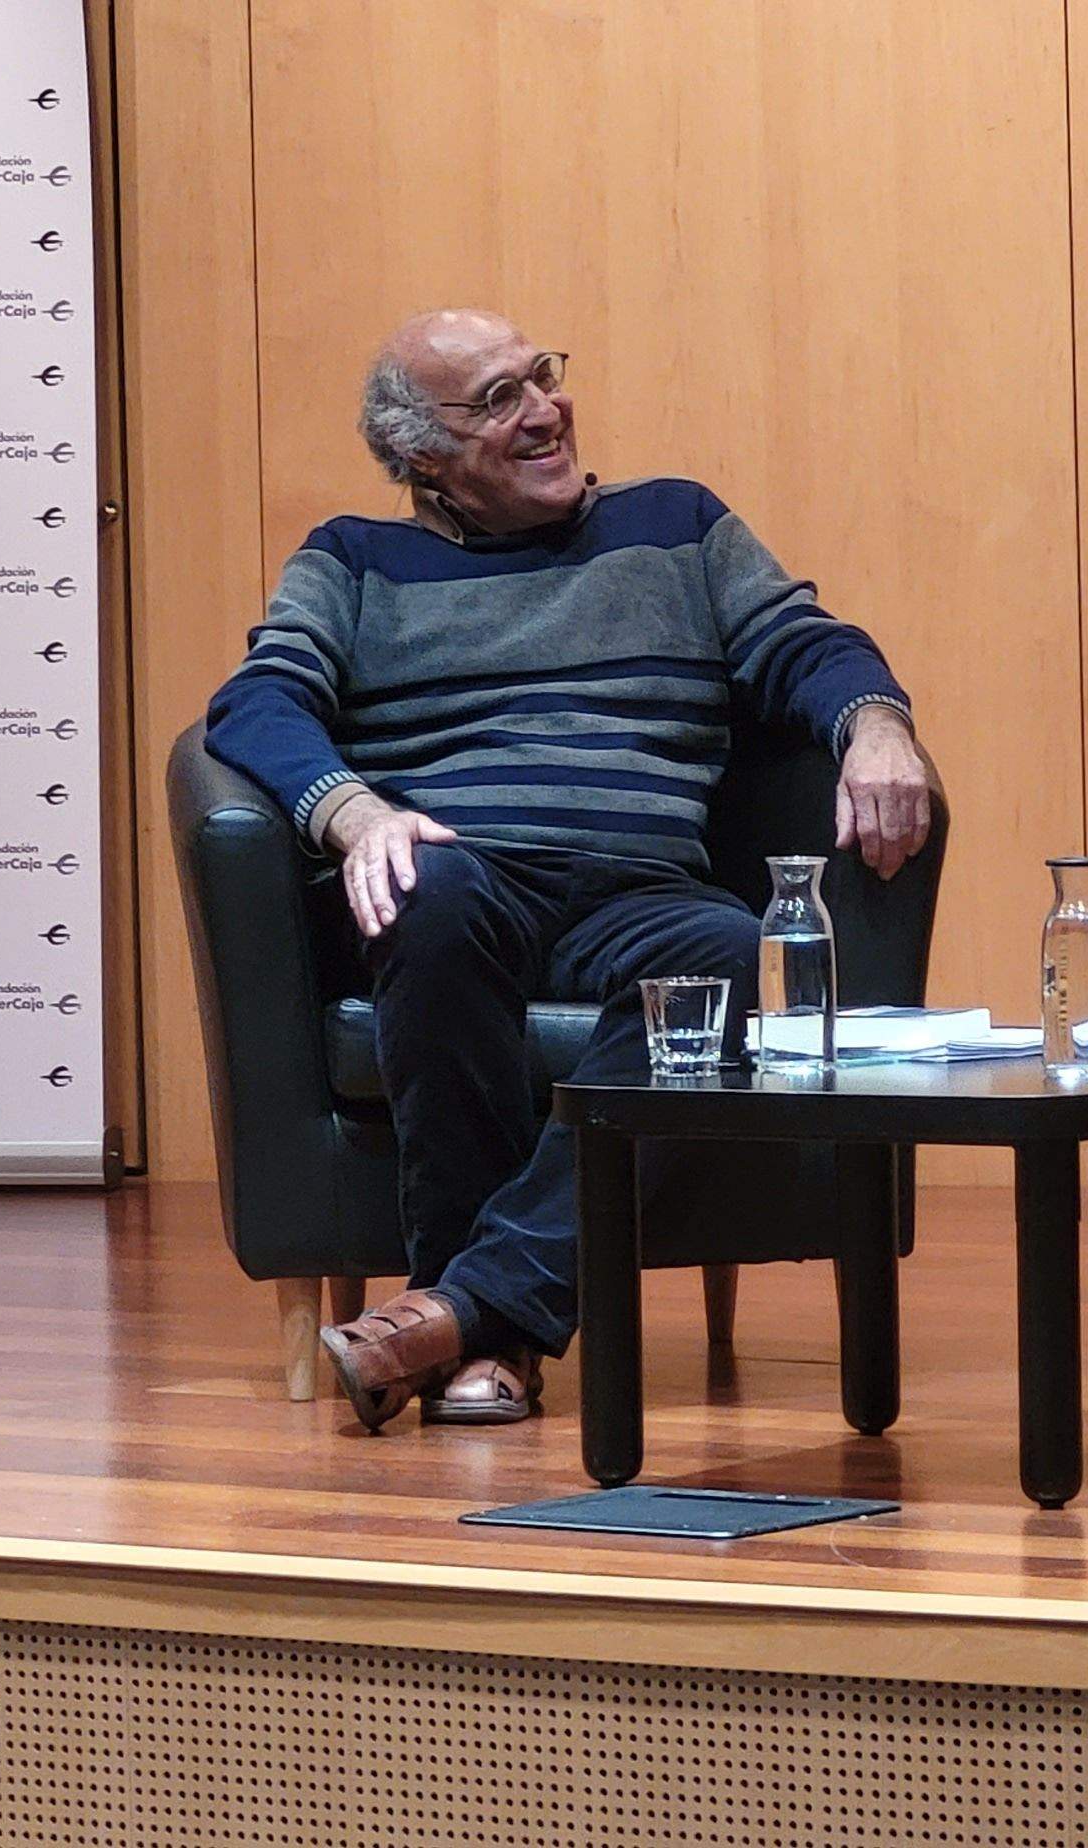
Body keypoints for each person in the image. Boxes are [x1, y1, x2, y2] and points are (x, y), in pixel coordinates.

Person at [202, 309, 942, 1431]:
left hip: (642, 896)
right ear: (421, 456)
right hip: (460, 872)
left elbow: (808, 644)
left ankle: (458, 1315)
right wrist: (355, 816)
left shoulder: (677, 527)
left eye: (540, 377)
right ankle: (486, 1333)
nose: (544, 410)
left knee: (745, 959)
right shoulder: (352, 559)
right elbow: (258, 702)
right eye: (497, 400)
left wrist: (877, 727)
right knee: (425, 901)